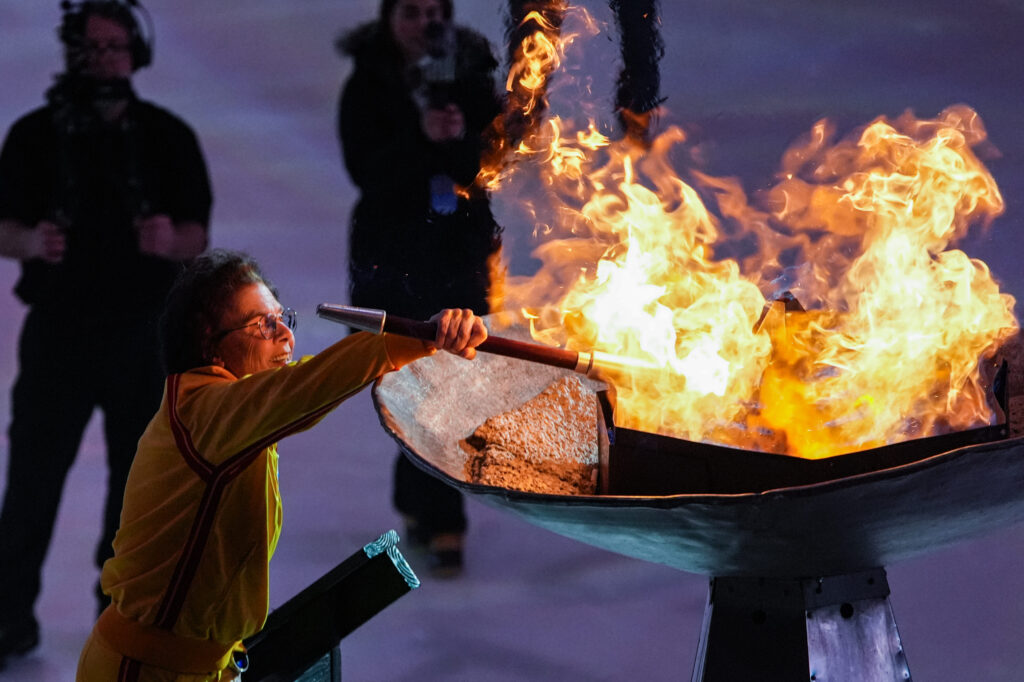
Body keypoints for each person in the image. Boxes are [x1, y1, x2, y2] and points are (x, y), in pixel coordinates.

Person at [74, 248, 487, 681]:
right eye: (262, 325)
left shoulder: (236, 420)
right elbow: (305, 386)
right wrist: (421, 336)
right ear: (208, 342)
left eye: (281, 319)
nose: (286, 337)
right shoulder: (206, 414)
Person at [0, 0, 212, 666]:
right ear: (72, 51)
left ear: (136, 52)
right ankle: (8, 621)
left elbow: (198, 234)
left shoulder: (168, 136)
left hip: (141, 337)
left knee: (136, 495)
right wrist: (28, 239)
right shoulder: (34, 136)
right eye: (92, 47)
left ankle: (116, 626)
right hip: (59, 334)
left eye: (115, 46)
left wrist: (169, 239)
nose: (104, 59)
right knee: (32, 485)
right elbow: (1, 225)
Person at [336, 0, 502, 577]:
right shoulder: (368, 82)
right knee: (409, 380)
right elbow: (365, 170)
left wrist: (457, 142)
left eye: (432, 10)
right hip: (394, 257)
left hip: (456, 256)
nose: (422, 22)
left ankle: (437, 512)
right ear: (389, 19)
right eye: (410, 11)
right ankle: (429, 508)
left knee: (450, 382)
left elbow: (492, 160)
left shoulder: (472, 73)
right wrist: (418, 138)